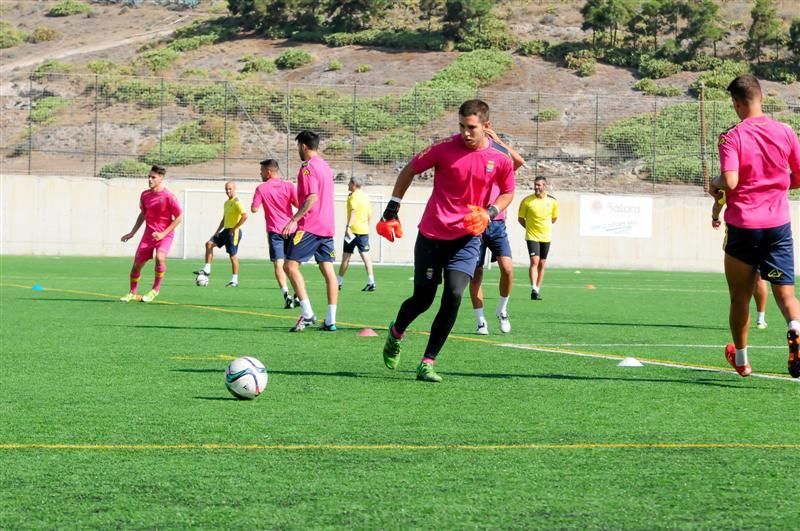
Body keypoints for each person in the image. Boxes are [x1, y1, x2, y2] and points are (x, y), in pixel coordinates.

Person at [379, 99, 515, 382]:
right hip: (432, 235)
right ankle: (396, 333)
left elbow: (507, 193)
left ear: (486, 127)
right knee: (423, 298)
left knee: (453, 295)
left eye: (472, 128)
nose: (465, 133)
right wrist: (392, 208)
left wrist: (490, 213)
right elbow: (410, 170)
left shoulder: (501, 157)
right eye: (462, 127)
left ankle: (427, 362)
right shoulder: (442, 149)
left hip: (467, 238)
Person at [709, 74, 800, 378]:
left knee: (739, 297)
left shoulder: (731, 136)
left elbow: (730, 181)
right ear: (762, 97)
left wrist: (714, 183)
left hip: (745, 227)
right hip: (778, 227)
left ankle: (742, 359)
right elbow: (798, 177)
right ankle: (794, 327)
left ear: (736, 103)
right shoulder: (785, 132)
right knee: (786, 295)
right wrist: (775, 184)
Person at [282, 130, 339, 332]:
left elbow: (312, 197)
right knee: (328, 272)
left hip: (310, 226)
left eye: (298, 146)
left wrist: (294, 220)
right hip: (327, 227)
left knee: (289, 266)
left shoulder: (307, 168)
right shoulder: (325, 166)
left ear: (304, 146)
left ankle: (307, 314)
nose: (298, 150)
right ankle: (331, 320)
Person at [469, 128, 524, 335]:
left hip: (497, 223)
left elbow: (518, 161)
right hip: (476, 223)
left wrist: (497, 139)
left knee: (507, 268)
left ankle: (502, 310)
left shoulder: (500, 163)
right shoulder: (476, 161)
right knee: (476, 274)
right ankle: (480, 320)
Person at [120, 164, 183, 303]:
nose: (149, 179)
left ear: (161, 178)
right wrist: (132, 233)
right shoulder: (145, 195)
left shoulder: (169, 196)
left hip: (165, 235)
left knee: (160, 258)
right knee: (136, 265)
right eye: (148, 176)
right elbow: (143, 214)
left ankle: (155, 290)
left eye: (153, 177)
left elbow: (179, 217)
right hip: (148, 236)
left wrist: (162, 234)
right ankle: (132, 293)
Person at [711, 191, 768, 329]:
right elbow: (719, 202)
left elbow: (718, 203)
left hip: (747, 237)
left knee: (750, 281)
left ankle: (758, 318)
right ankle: (755, 318)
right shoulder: (733, 183)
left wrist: (715, 218)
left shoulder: (732, 182)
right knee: (751, 281)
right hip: (755, 236)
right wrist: (715, 216)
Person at [251, 159, 299, 308]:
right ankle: (298, 294)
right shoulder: (289, 186)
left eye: (262, 171)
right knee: (293, 264)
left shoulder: (261, 188)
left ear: (269, 172)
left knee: (278, 264)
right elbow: (299, 205)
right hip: (291, 229)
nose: (260, 173)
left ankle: (286, 295)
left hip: (274, 231)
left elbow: (254, 209)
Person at [194, 181, 247, 287]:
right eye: (226, 189)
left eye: (230, 189)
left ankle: (234, 280)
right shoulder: (226, 203)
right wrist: (217, 231)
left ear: (234, 189)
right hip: (225, 231)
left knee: (233, 256)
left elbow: (245, 216)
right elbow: (224, 219)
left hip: (233, 232)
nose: (228, 191)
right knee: (209, 244)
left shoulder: (237, 202)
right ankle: (207, 269)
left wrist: (235, 228)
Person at [518, 176, 558, 301]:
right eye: (535, 185)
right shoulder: (527, 201)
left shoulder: (553, 202)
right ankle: (533, 289)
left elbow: (554, 218)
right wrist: (530, 228)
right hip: (532, 236)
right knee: (534, 261)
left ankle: (538, 289)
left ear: (544, 186)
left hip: (546, 236)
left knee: (542, 263)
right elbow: (520, 219)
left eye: (539, 185)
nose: (536, 187)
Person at [337, 176, 376, 292]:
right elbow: (370, 214)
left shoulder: (353, 196)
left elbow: (353, 211)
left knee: (346, 257)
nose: (348, 185)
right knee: (366, 256)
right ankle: (371, 281)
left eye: (349, 183)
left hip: (352, 231)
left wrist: (348, 227)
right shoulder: (365, 196)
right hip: (363, 231)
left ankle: (338, 282)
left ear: (354, 184)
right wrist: (367, 227)